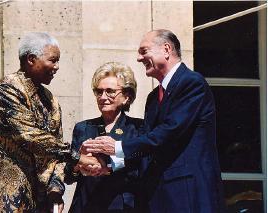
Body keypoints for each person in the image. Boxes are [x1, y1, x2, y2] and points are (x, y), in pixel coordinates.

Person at [83, 29, 226, 212]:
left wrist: (117, 147)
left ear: (166, 49)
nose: (138, 58)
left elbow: (168, 132)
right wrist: (109, 165)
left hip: (188, 193)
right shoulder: (153, 97)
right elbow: (146, 147)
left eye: (144, 51)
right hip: (160, 195)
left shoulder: (191, 83)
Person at [0, 32, 101, 213]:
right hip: (2, 199)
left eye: (58, 61)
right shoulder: (8, 88)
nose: (57, 67)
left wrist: (55, 190)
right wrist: (77, 156)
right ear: (31, 59)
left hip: (38, 202)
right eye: (52, 60)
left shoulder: (51, 101)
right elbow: (29, 135)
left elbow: (55, 155)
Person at [66, 62, 144, 213]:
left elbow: (139, 170)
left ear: (126, 96)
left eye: (110, 91)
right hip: (86, 205)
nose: (103, 97)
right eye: (99, 91)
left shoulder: (137, 128)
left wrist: (108, 165)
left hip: (121, 206)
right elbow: (68, 175)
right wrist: (79, 163)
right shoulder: (83, 128)